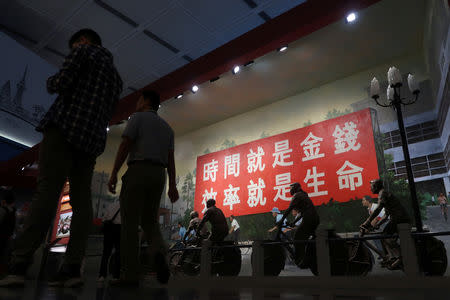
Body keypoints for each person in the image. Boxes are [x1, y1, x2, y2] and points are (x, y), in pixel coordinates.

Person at [0, 29, 123, 288]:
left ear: (82, 41)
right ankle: (72, 268)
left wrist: (52, 80)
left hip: (65, 128)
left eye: (74, 45)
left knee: (47, 192)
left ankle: (20, 264)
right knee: (82, 203)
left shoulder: (82, 52)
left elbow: (59, 84)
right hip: (90, 142)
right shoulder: (116, 78)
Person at [108, 90, 179, 286]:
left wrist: (114, 172)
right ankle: (159, 254)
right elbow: (171, 160)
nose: (137, 103)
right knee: (150, 222)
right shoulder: (167, 128)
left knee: (130, 224)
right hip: (159, 175)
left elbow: (125, 145)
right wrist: (172, 185)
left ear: (146, 101)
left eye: (139, 99)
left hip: (138, 168)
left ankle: (129, 275)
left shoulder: (137, 118)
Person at [360, 179, 411, 269]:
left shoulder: (382, 193)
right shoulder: (383, 193)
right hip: (397, 218)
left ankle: (400, 256)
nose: (371, 189)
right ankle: (392, 256)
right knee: (383, 236)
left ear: (376, 187)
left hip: (399, 219)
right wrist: (378, 224)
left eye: (371, 187)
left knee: (386, 237)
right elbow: (386, 214)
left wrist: (366, 223)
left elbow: (378, 210)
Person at [277, 182, 320, 268]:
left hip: (309, 219)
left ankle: (302, 260)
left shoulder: (297, 195)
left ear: (295, 188)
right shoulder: (303, 195)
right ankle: (305, 257)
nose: (290, 190)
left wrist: (281, 220)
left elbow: (289, 209)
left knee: (297, 237)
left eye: (291, 188)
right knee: (305, 238)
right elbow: (302, 213)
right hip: (314, 218)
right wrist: (293, 222)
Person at [98, 201, 121, 282]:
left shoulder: (111, 205)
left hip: (109, 230)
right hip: (119, 229)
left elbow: (104, 218)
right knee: (119, 253)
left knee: (105, 254)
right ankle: (116, 276)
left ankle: (102, 275)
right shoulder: (127, 206)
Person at [0, 190, 16, 275]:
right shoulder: (14, 213)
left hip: (2, 237)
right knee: (4, 257)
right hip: (8, 238)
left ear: (3, 201)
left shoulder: (2, 210)